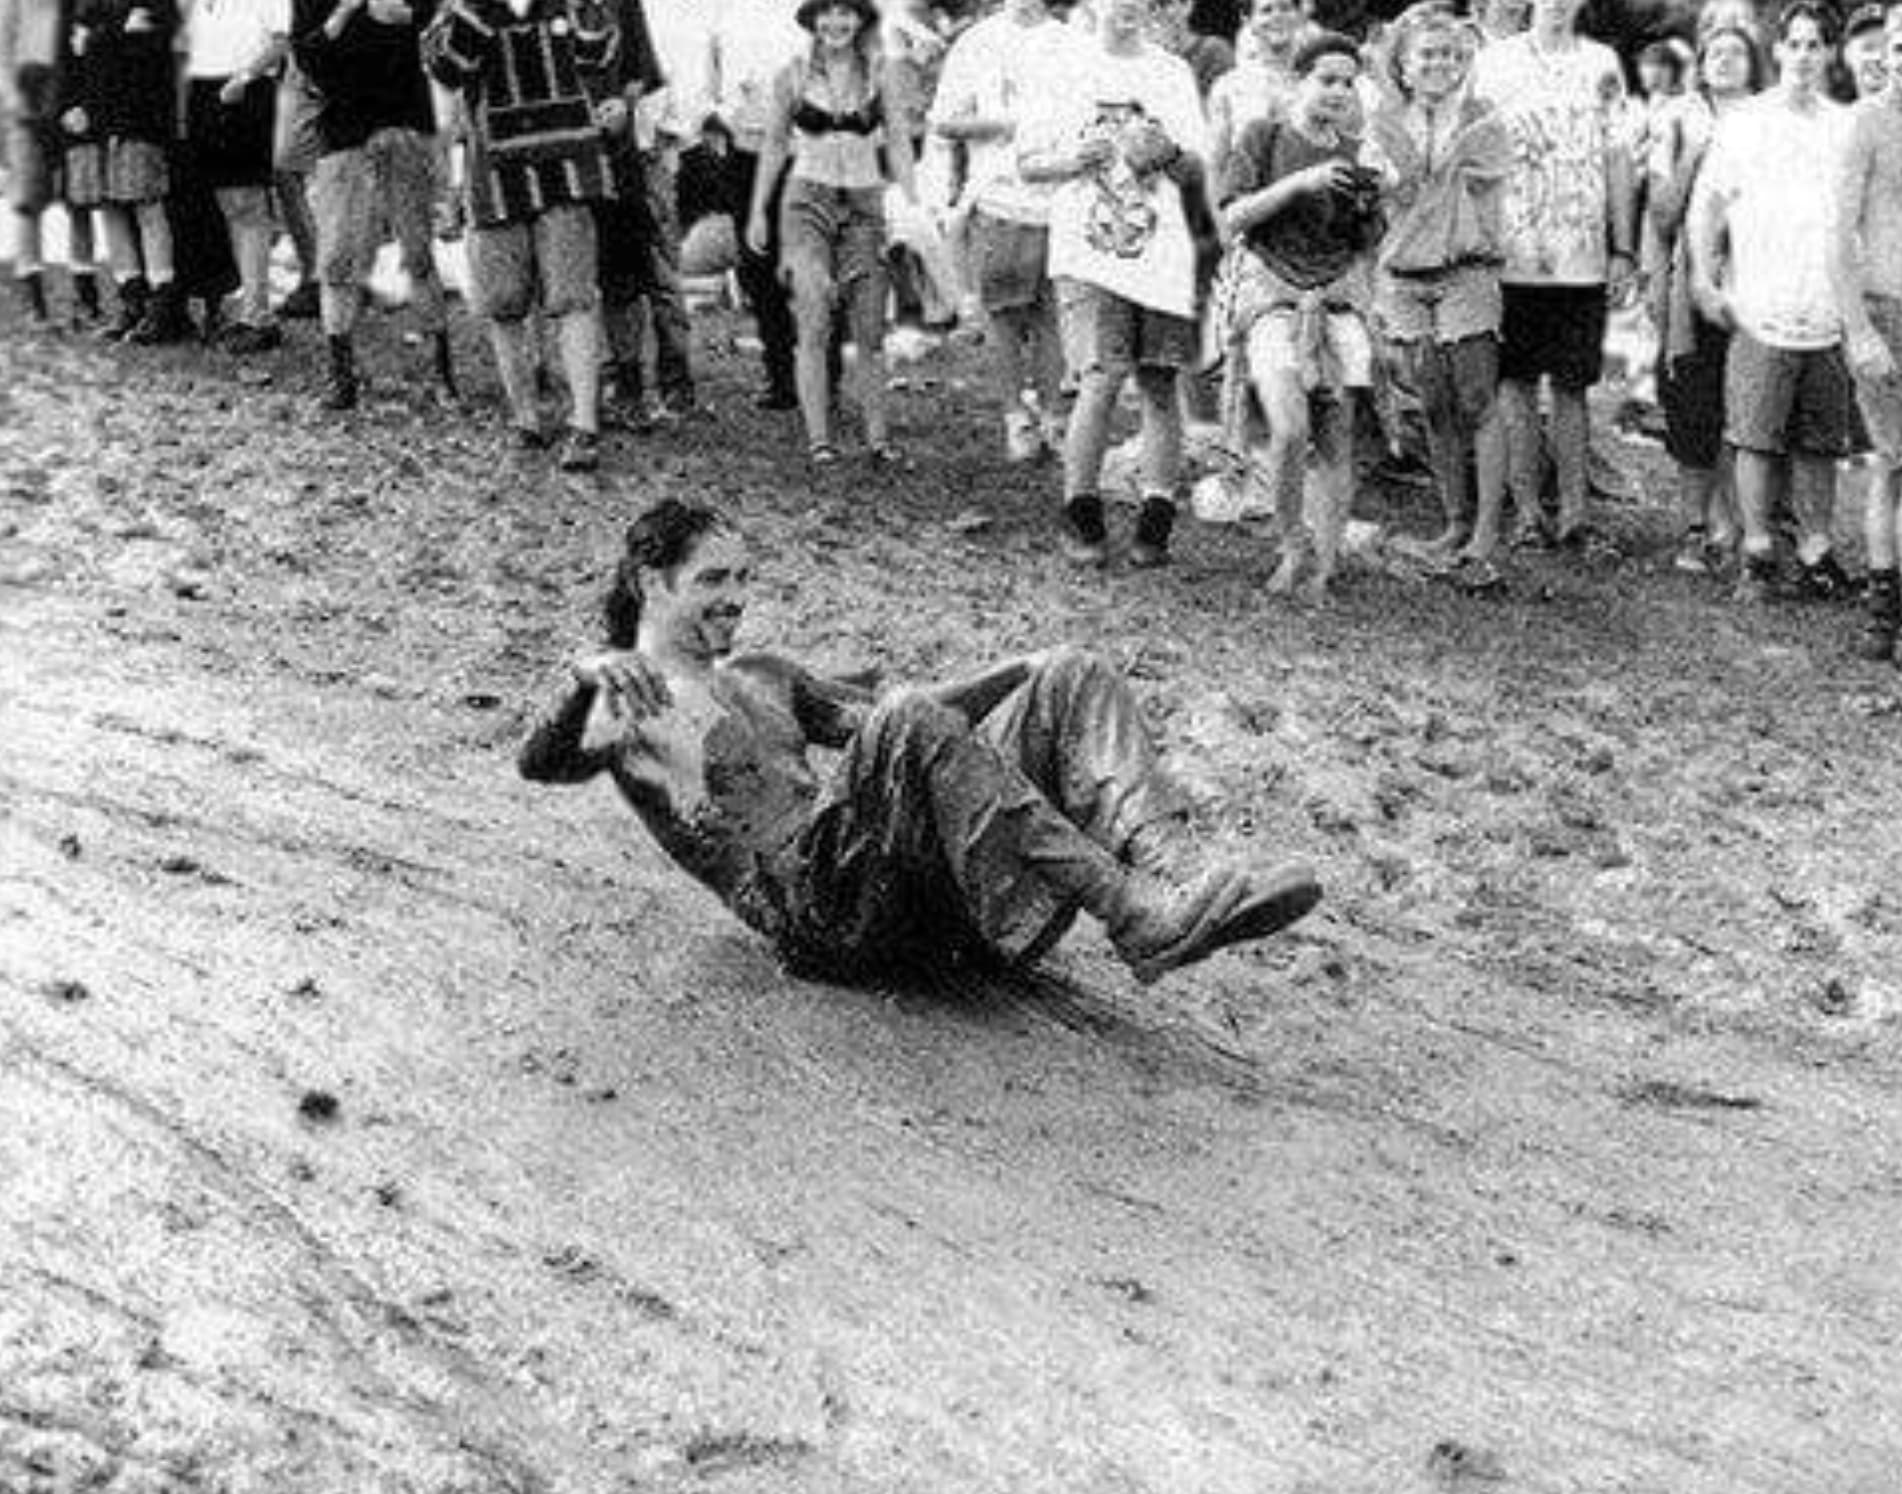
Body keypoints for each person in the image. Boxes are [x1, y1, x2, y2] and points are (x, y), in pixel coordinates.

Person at [517, 498, 1323, 984]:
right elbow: (540, 763)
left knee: (1069, 671)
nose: (735, 599)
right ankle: (1127, 907)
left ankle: (1167, 879)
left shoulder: (763, 672)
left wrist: (1021, 672)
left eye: (742, 579)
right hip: (816, 914)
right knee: (905, 716)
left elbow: (896, 730)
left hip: (893, 890)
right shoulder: (626, 701)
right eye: (713, 581)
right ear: (654, 583)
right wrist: (583, 675)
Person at [1020, 0, 1209, 568]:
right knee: (1099, 376)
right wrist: (1073, 158)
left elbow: (1200, 169)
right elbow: (1027, 161)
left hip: (1161, 250)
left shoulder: (1171, 72)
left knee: (1158, 381)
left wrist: (1168, 153)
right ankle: (1081, 511)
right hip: (1087, 250)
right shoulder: (1060, 64)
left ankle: (1156, 517)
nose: (1128, 7)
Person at [1689, 0, 1856, 603]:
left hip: (1828, 314)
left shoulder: (1845, 126)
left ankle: (1815, 551)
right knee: (1755, 437)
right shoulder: (1747, 122)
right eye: (1797, 44)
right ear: (1779, 50)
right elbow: (1706, 205)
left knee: (1819, 444)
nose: (1805, 57)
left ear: (1831, 55)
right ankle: (1757, 553)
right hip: (1760, 311)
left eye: (1817, 45)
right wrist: (1705, 280)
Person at [1219, 30, 1384, 599]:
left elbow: (1366, 244)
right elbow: (1233, 218)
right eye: (1326, 79)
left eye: (1347, 82)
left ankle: (1327, 562)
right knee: (1289, 429)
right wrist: (1300, 183)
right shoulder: (1263, 137)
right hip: (1272, 295)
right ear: (1298, 81)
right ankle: (1291, 543)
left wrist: (1367, 207)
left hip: (1335, 300)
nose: (1338, 91)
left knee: (1337, 436)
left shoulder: (1358, 152)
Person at [422, 0, 620, 471]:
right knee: (503, 301)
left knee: (573, 297)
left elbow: (601, 53)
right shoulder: (464, 8)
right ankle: (525, 417)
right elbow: (446, 68)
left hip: (568, 168)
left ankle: (584, 425)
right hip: (494, 176)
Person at [1471, 0, 1634, 553]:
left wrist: (1623, 247)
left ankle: (1575, 515)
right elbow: (1476, 153)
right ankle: (1527, 513)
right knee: (1514, 384)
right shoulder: (1495, 62)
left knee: (1572, 387)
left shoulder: (1602, 62)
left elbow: (1618, 159)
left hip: (1580, 257)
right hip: (1513, 253)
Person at [745, 0, 917, 467]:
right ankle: (819, 440)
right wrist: (758, 210)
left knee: (869, 327)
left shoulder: (881, 72)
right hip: (806, 202)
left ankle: (877, 438)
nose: (836, 22)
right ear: (813, 20)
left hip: (864, 201)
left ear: (861, 20)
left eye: (847, 12)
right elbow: (776, 144)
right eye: (827, 12)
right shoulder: (794, 74)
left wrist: (911, 201)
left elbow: (899, 141)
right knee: (814, 314)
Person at [929, 0, 1075, 462]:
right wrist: (1009, 125)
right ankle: (1016, 418)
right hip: (998, 196)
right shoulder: (977, 41)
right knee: (1004, 316)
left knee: (1053, 316)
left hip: (1060, 196)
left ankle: (1054, 417)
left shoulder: (1071, 42)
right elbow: (943, 120)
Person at [293, 0, 452, 411]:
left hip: (404, 130)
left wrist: (410, 17)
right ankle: (341, 374)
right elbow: (308, 62)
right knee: (337, 262)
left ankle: (443, 371)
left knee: (418, 255)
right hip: (343, 138)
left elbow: (440, 28)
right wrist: (342, 15)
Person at [1646, 20, 1759, 576]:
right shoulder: (1677, 117)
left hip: (1759, 279)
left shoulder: (1770, 117)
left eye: (1737, 52)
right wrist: (1697, 156)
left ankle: (1743, 526)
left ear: (1756, 63)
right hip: (1688, 279)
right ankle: (1697, 524)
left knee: (1749, 403)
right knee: (1693, 401)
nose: (1725, 60)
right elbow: (1661, 211)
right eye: (1715, 51)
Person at [1829, 5, 1902, 660]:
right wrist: (1857, 328)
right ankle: (1886, 610)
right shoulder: (1868, 122)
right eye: (1899, 44)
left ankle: (1887, 611)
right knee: (1893, 463)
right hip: (1886, 311)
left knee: (1895, 470)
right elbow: (1838, 237)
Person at [70, 0, 188, 341]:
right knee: (110, 207)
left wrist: (100, 41)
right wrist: (112, 38)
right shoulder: (91, 5)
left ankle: (163, 305)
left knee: (148, 206)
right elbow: (81, 50)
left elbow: (145, 53)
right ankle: (131, 300)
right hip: (98, 119)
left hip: (141, 119)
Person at [180, 0, 294, 355]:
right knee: (223, 205)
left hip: (244, 89)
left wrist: (244, 77)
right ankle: (239, 309)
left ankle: (259, 316)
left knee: (248, 203)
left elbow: (281, 41)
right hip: (202, 89)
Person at [708, 0, 805, 410]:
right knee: (757, 265)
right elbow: (712, 91)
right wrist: (728, 114)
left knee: (811, 264)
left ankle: (824, 376)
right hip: (746, 154)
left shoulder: (811, 17)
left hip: (806, 155)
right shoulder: (725, 17)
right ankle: (780, 375)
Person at [1, 0, 66, 322]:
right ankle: (33, 295)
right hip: (25, 97)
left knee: (76, 196)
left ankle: (88, 294)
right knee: (28, 198)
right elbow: (2, 53)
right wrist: (13, 97)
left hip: (62, 97)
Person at [1842, 2, 1887, 101]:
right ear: (1847, 55)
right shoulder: (1833, 116)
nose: (1878, 56)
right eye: (1868, 48)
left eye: (1886, 48)